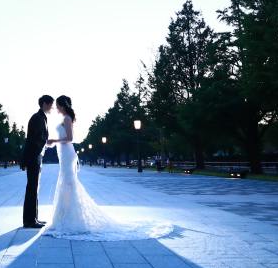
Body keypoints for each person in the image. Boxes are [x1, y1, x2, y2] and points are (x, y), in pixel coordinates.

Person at [42, 95, 173, 240]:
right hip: (64, 153)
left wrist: (54, 140)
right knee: (67, 183)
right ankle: (66, 215)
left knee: (68, 182)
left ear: (62, 105)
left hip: (67, 153)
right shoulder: (65, 118)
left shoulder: (67, 119)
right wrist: (55, 143)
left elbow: (70, 139)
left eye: (58, 105)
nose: (56, 108)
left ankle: (69, 217)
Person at [20, 94, 53, 228]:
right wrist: (46, 142)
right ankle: (29, 220)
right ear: (44, 103)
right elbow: (34, 140)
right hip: (34, 157)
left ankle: (33, 218)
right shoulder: (37, 118)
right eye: (50, 104)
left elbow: (38, 139)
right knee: (32, 188)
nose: (52, 107)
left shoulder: (41, 117)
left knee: (34, 188)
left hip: (36, 157)